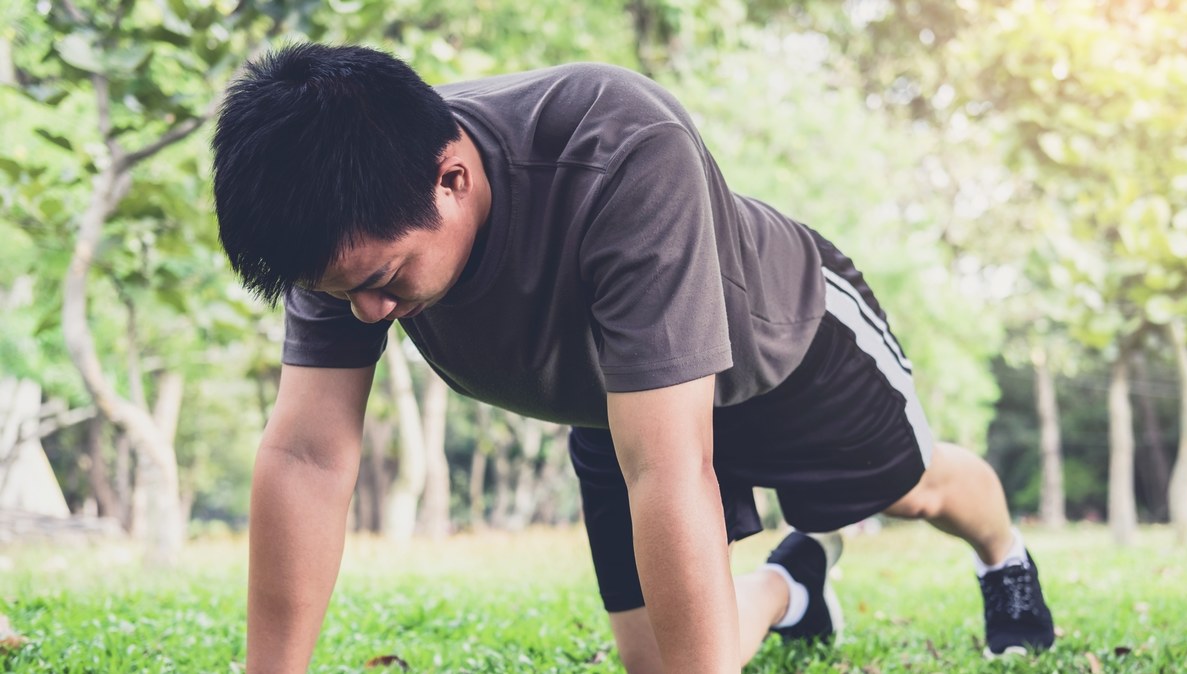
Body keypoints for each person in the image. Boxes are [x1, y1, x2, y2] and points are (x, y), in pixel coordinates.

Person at [212, 43, 1055, 673]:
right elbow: (307, 454)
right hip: (621, 408)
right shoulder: (341, 222)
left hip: (790, 351)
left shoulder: (617, 146)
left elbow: (672, 464)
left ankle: (1005, 558)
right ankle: (795, 585)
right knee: (666, 663)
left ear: (454, 177)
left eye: (386, 281)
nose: (368, 312)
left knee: (917, 489)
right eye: (342, 292)